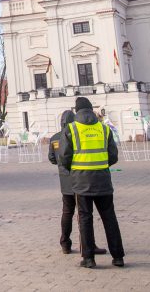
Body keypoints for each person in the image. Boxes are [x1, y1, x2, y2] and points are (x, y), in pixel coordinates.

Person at [58, 97, 125, 268]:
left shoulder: (71, 129)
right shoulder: (104, 129)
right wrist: (101, 165)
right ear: (91, 110)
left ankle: (88, 258)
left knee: (85, 218)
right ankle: (118, 257)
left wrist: (75, 168)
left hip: (81, 181)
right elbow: (113, 155)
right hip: (103, 179)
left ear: (76, 111)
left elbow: (64, 157)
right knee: (109, 217)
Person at [48, 109, 106, 256]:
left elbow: (52, 158)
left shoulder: (54, 138)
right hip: (79, 179)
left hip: (64, 182)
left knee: (67, 213)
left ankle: (65, 243)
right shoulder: (74, 134)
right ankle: (88, 245)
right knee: (84, 215)